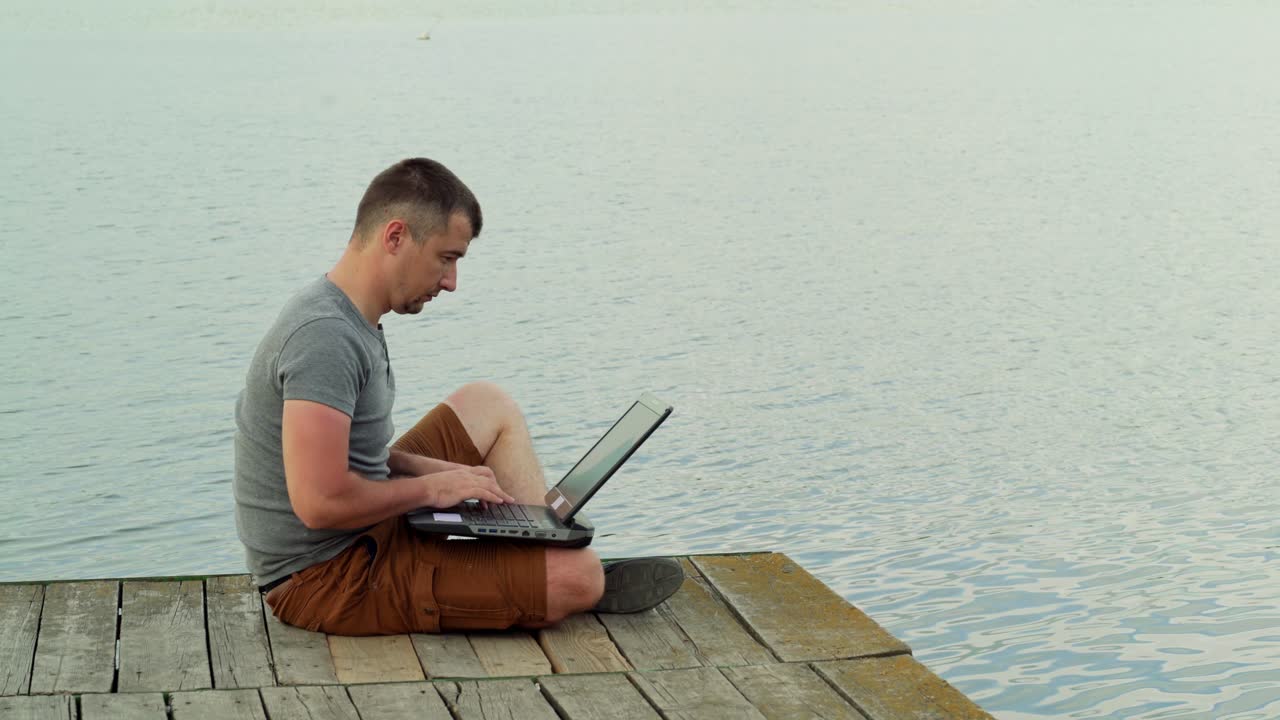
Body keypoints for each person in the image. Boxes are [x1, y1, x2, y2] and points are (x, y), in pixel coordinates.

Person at [233, 158, 683, 635]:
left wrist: (421, 468)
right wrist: (433, 490)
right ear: (395, 237)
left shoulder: (347, 316)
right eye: (446, 258)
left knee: (487, 404)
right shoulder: (324, 336)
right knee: (582, 577)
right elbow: (319, 503)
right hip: (326, 578)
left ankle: (534, 553)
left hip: (358, 537)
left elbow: (347, 453)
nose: (450, 282)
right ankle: (557, 578)